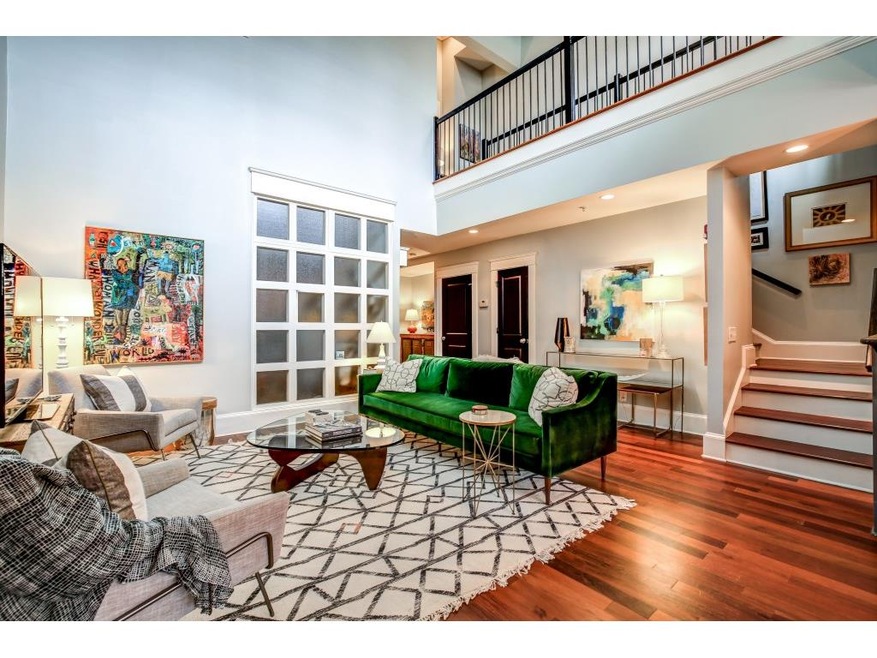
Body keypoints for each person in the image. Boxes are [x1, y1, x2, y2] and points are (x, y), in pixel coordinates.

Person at [110, 256, 140, 343]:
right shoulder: (115, 272)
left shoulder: (130, 272)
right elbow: (118, 282)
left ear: (125, 263)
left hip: (128, 295)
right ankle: (117, 337)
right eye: (119, 263)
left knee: (124, 321)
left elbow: (133, 281)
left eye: (122, 262)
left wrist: (131, 289)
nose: (120, 264)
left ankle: (122, 337)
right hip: (118, 296)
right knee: (118, 321)